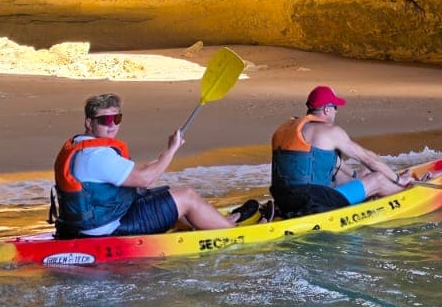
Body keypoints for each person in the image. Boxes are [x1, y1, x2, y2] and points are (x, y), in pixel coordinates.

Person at [52, 92, 240, 237]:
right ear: (89, 122)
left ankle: (205, 223)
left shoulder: (79, 145)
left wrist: (165, 153)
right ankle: (233, 233)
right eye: (105, 120)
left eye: (117, 119)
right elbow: (145, 180)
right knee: (187, 196)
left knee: (169, 192)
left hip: (88, 223)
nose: (112, 126)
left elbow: (139, 172)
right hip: (107, 228)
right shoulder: (97, 155)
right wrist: (172, 150)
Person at [269, 85, 413, 217]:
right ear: (327, 109)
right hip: (311, 202)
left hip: (282, 199)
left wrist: (356, 175)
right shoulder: (329, 131)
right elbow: (368, 158)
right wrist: (398, 179)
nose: (336, 111)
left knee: (364, 172)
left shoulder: (284, 130)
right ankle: (407, 192)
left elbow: (327, 163)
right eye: (335, 107)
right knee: (378, 179)